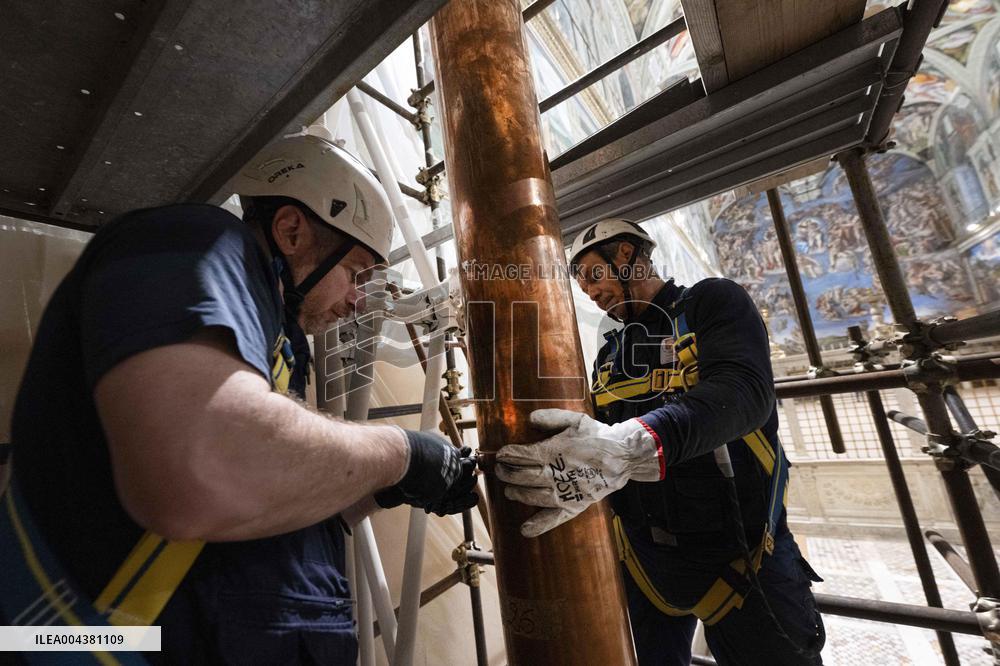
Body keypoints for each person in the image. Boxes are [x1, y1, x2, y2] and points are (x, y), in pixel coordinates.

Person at [2, 131, 478, 664]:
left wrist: (386, 486)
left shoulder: (275, 336)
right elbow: (200, 475)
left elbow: (270, 502)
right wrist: (399, 454)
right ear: (291, 230)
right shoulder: (195, 241)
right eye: (356, 273)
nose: (356, 301)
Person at [496, 218, 825, 665]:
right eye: (581, 284)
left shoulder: (711, 302)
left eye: (593, 274)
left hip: (743, 558)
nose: (589, 292)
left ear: (626, 255)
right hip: (644, 563)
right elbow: (591, 438)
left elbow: (744, 392)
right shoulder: (611, 356)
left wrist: (634, 443)